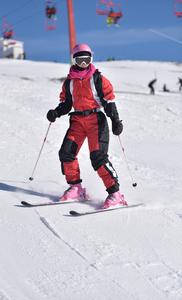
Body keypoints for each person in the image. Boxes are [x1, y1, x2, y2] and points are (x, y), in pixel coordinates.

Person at [46, 44, 125, 209]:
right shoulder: (69, 82)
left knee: (98, 158)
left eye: (86, 60)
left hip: (96, 120)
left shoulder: (97, 79)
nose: (83, 63)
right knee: (66, 153)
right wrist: (56, 112)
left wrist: (115, 121)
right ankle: (76, 188)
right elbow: (66, 103)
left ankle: (115, 193)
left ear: (91, 59)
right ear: (74, 60)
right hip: (77, 121)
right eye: (79, 60)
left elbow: (109, 101)